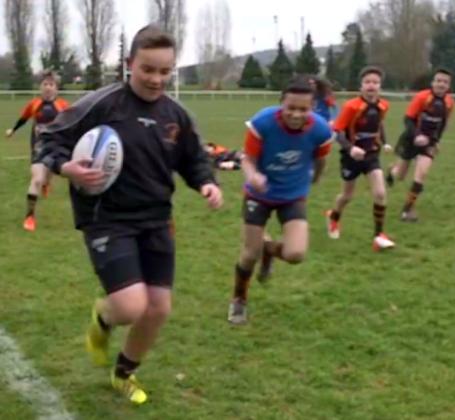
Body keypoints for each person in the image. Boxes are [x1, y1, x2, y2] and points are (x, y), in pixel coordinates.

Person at [37, 25, 223, 405]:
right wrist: (65, 167)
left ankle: (124, 373)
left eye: (164, 71)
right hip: (108, 218)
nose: (156, 79)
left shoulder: (177, 115)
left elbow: (193, 160)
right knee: (129, 305)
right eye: (147, 69)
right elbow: (49, 138)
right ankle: (104, 317)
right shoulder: (101, 104)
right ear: (129, 65)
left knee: (157, 308)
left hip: (157, 219)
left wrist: (206, 182)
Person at [228, 78, 333, 325]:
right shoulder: (263, 122)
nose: (296, 114)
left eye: (303, 109)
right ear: (281, 105)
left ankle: (269, 250)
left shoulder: (320, 130)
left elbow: (320, 159)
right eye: (291, 108)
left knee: (295, 254)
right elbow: (247, 159)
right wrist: (253, 176)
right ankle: (239, 300)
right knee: (249, 253)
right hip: (259, 195)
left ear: (313, 107)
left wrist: (315, 178)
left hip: (293, 195)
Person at [324, 66, 395, 250]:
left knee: (380, 193)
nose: (371, 85)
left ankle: (378, 235)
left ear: (380, 86)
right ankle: (333, 216)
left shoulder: (383, 105)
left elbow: (379, 125)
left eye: (375, 82)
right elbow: (337, 131)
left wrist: (385, 142)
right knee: (347, 195)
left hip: (371, 155)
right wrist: (350, 148)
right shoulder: (351, 106)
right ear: (361, 86)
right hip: (351, 158)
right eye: (367, 82)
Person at [385, 69, 455, 222]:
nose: (441, 84)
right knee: (401, 176)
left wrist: (436, 141)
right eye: (438, 81)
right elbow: (408, 119)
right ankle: (392, 171)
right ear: (433, 82)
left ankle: (407, 210)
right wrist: (417, 136)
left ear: (449, 85)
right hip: (410, 139)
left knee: (421, 174)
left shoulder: (449, 102)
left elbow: (442, 124)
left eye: (445, 82)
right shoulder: (423, 97)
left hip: (428, 143)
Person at [5, 70, 70, 231]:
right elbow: (24, 118)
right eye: (45, 84)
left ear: (56, 88)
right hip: (38, 147)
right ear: (40, 87)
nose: (48, 88)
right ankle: (29, 217)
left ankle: (47, 183)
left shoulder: (63, 106)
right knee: (36, 179)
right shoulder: (34, 104)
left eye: (51, 85)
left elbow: (72, 122)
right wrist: (13, 130)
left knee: (47, 178)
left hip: (55, 147)